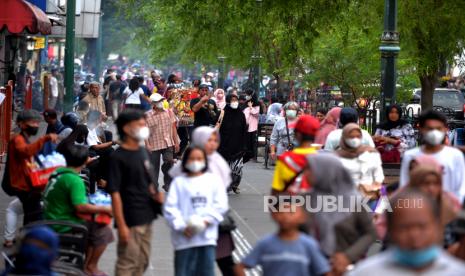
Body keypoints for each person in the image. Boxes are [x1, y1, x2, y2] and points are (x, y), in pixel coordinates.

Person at [348, 189, 465, 275]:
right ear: (390, 230)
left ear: (438, 227)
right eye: (404, 227)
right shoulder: (365, 273)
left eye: (422, 226)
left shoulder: (457, 272)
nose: (414, 235)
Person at [169, 126, 235, 276]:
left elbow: (221, 198)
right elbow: (173, 203)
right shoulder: (186, 166)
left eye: (215, 140)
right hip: (187, 227)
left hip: (214, 223)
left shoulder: (218, 162)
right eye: (208, 140)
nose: (212, 144)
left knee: (223, 261)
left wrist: (207, 219)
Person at [107, 110, 164, 276]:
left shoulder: (143, 151)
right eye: (139, 125)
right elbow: (115, 193)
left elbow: (146, 182)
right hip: (131, 217)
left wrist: (155, 194)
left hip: (147, 214)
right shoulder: (118, 157)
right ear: (126, 128)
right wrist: (122, 225)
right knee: (127, 262)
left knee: (143, 261)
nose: (144, 127)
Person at [42, 144, 114, 275]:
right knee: (104, 231)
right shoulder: (74, 180)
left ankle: (87, 266)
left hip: (50, 217)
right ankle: (91, 266)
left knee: (95, 223)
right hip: (62, 223)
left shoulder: (58, 172)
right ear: (84, 161)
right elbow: (80, 206)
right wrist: (105, 209)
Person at [305, 154, 374, 258]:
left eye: (310, 169)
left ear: (326, 171)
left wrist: (348, 257)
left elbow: (371, 234)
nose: (305, 174)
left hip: (346, 266)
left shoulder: (355, 201)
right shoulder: (305, 199)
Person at [235, 201, 330, 276]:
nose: (285, 217)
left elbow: (324, 271)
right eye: (281, 212)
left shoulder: (309, 245)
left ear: (302, 217)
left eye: (291, 213)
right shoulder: (265, 243)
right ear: (274, 215)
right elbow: (240, 267)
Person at [400, 110, 465, 203]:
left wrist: (451, 208)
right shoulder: (410, 156)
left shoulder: (455, 156)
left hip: (449, 208)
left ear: (445, 129)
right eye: (429, 128)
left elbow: (460, 188)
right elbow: (405, 185)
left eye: (438, 128)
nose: (434, 132)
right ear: (421, 129)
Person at [5, 110, 57, 225]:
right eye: (32, 123)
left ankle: (25, 235)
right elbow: (25, 152)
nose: (36, 126)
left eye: (37, 123)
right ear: (21, 124)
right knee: (33, 212)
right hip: (20, 183)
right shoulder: (17, 139)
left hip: (27, 182)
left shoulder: (24, 139)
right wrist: (44, 139)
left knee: (30, 212)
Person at [271, 115, 320, 194]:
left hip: (290, 204)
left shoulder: (285, 159)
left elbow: (276, 191)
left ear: (297, 135)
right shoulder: (324, 159)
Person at [336, 123, 384, 196]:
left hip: (368, 195)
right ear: (344, 137)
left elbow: (378, 175)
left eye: (358, 136)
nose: (355, 139)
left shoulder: (371, 153)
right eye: (351, 137)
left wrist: (374, 187)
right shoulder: (336, 157)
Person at [145, 93, 180, 191]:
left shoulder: (169, 112)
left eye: (161, 100)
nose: (160, 103)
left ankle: (168, 183)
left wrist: (176, 142)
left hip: (168, 143)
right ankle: (154, 185)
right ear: (153, 104)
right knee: (154, 167)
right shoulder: (147, 115)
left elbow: (173, 128)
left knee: (169, 162)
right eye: (157, 101)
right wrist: (147, 144)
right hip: (154, 144)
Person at [218, 94, 248, 194]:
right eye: (232, 100)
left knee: (237, 167)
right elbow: (218, 127)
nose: (235, 102)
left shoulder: (241, 114)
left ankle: (235, 184)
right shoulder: (223, 113)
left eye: (236, 100)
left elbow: (244, 129)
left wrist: (244, 143)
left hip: (238, 144)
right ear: (228, 101)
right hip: (224, 144)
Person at [243, 91, 260, 162]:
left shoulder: (257, 104)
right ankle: (247, 155)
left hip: (253, 126)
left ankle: (253, 156)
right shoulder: (245, 104)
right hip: (246, 126)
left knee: (253, 142)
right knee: (247, 141)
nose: (246, 96)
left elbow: (256, 113)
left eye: (248, 95)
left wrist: (250, 107)